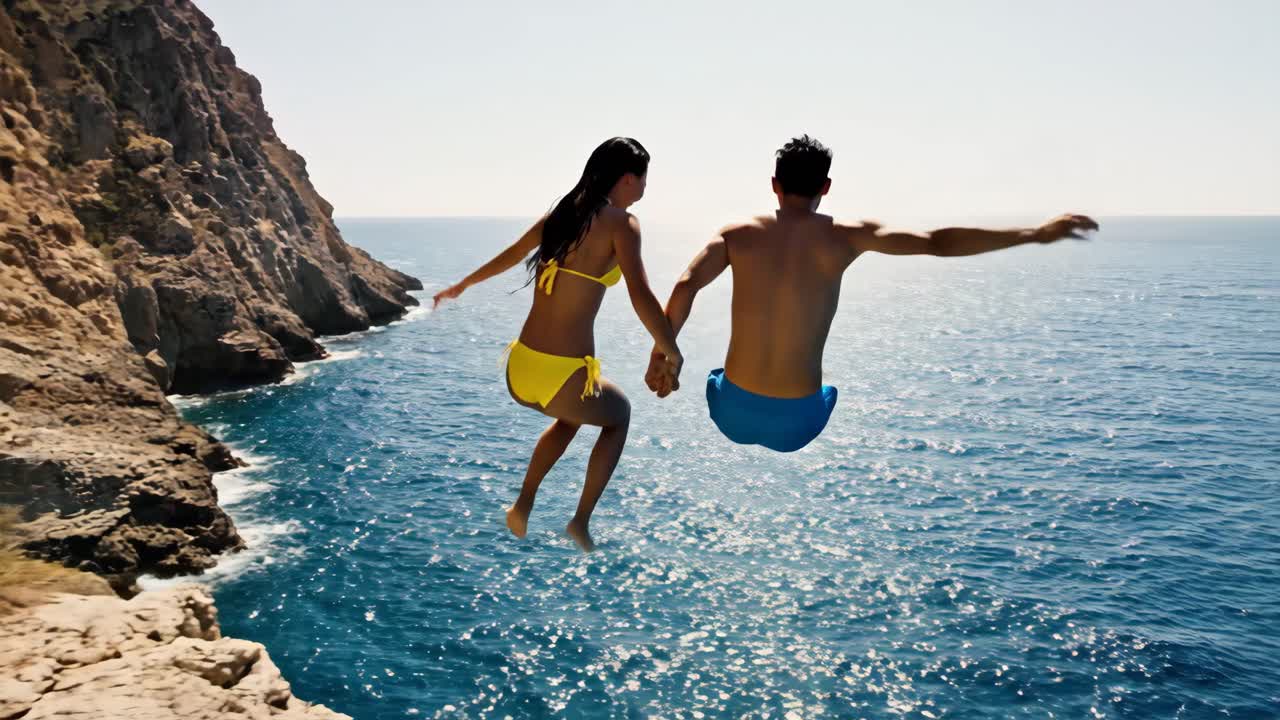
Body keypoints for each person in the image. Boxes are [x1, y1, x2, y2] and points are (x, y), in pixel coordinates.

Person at [645, 135, 1098, 452]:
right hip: (800, 422)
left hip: (733, 412)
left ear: (774, 185)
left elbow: (686, 284)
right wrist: (1035, 234)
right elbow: (937, 242)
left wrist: (665, 353)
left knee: (718, 375)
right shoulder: (847, 237)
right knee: (827, 391)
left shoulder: (735, 234)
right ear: (825, 187)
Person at [434, 138, 682, 550]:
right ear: (627, 178)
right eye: (643, 179)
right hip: (563, 375)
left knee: (572, 416)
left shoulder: (564, 214)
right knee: (618, 416)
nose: (644, 189)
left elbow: (512, 254)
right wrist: (671, 348)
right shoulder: (622, 223)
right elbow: (641, 294)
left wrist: (463, 285)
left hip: (520, 370)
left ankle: (523, 505)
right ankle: (580, 521)